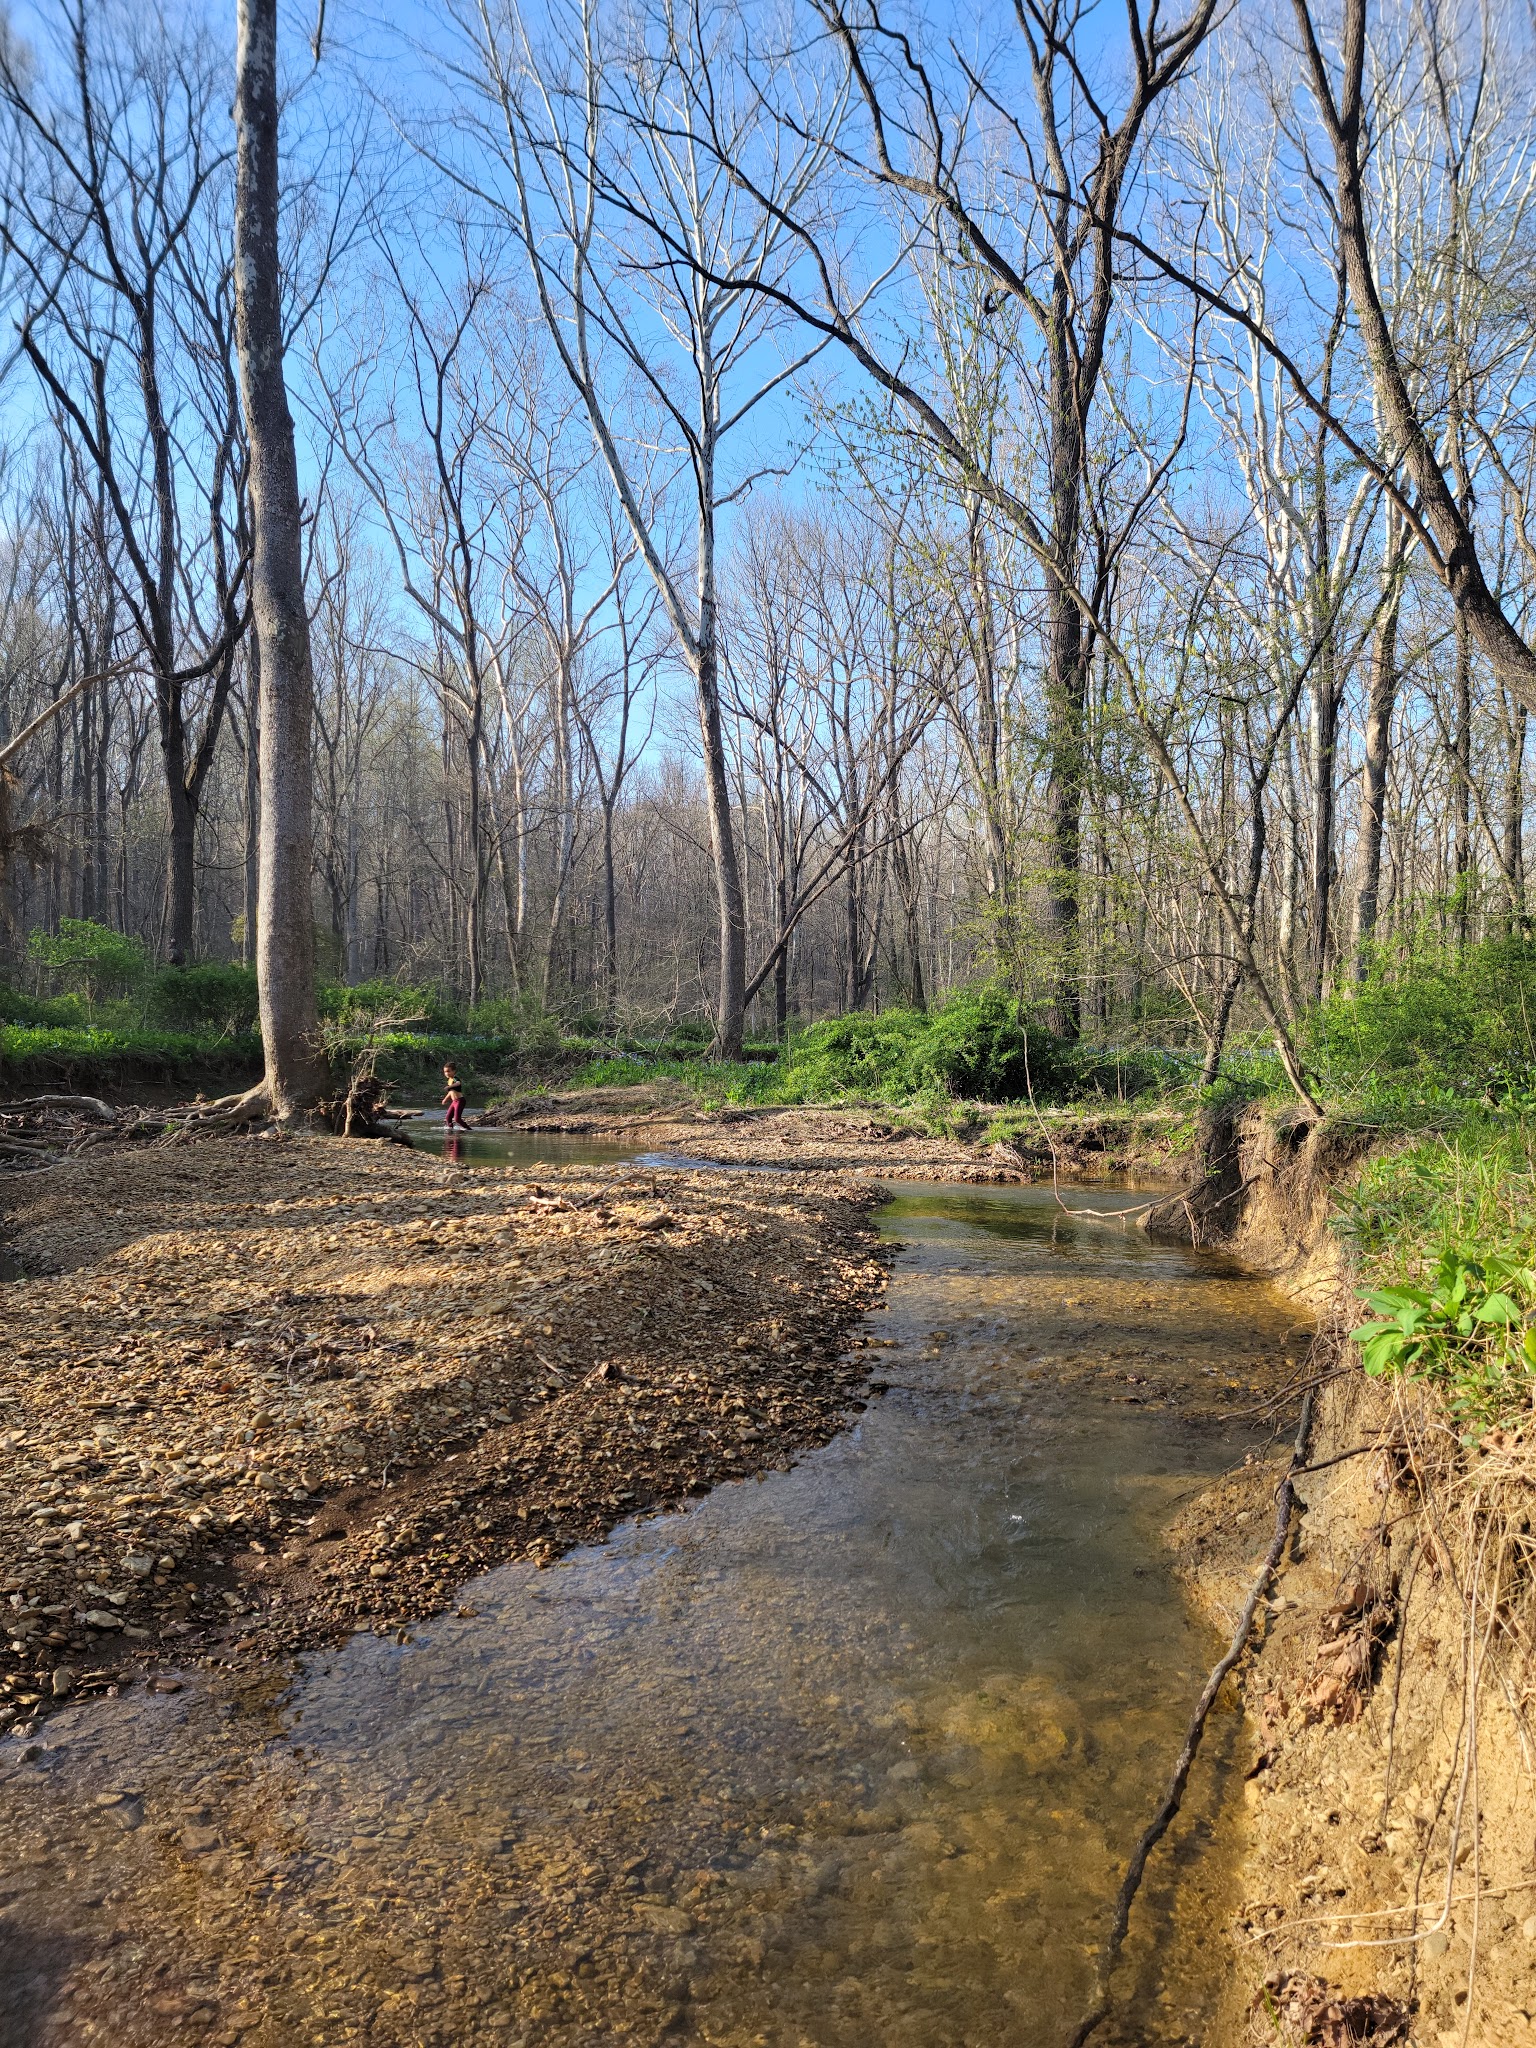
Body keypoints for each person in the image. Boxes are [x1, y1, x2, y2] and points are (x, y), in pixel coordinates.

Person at [441, 1062, 469, 1130]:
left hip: (460, 1100)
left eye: (448, 1071)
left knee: (457, 1119)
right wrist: (445, 1099)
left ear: (454, 1071)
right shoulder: (449, 1080)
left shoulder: (455, 1078)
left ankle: (468, 1129)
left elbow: (458, 1083)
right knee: (448, 1118)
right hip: (454, 1102)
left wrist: (449, 1086)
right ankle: (450, 1129)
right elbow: (451, 1092)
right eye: (445, 1072)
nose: (447, 1073)